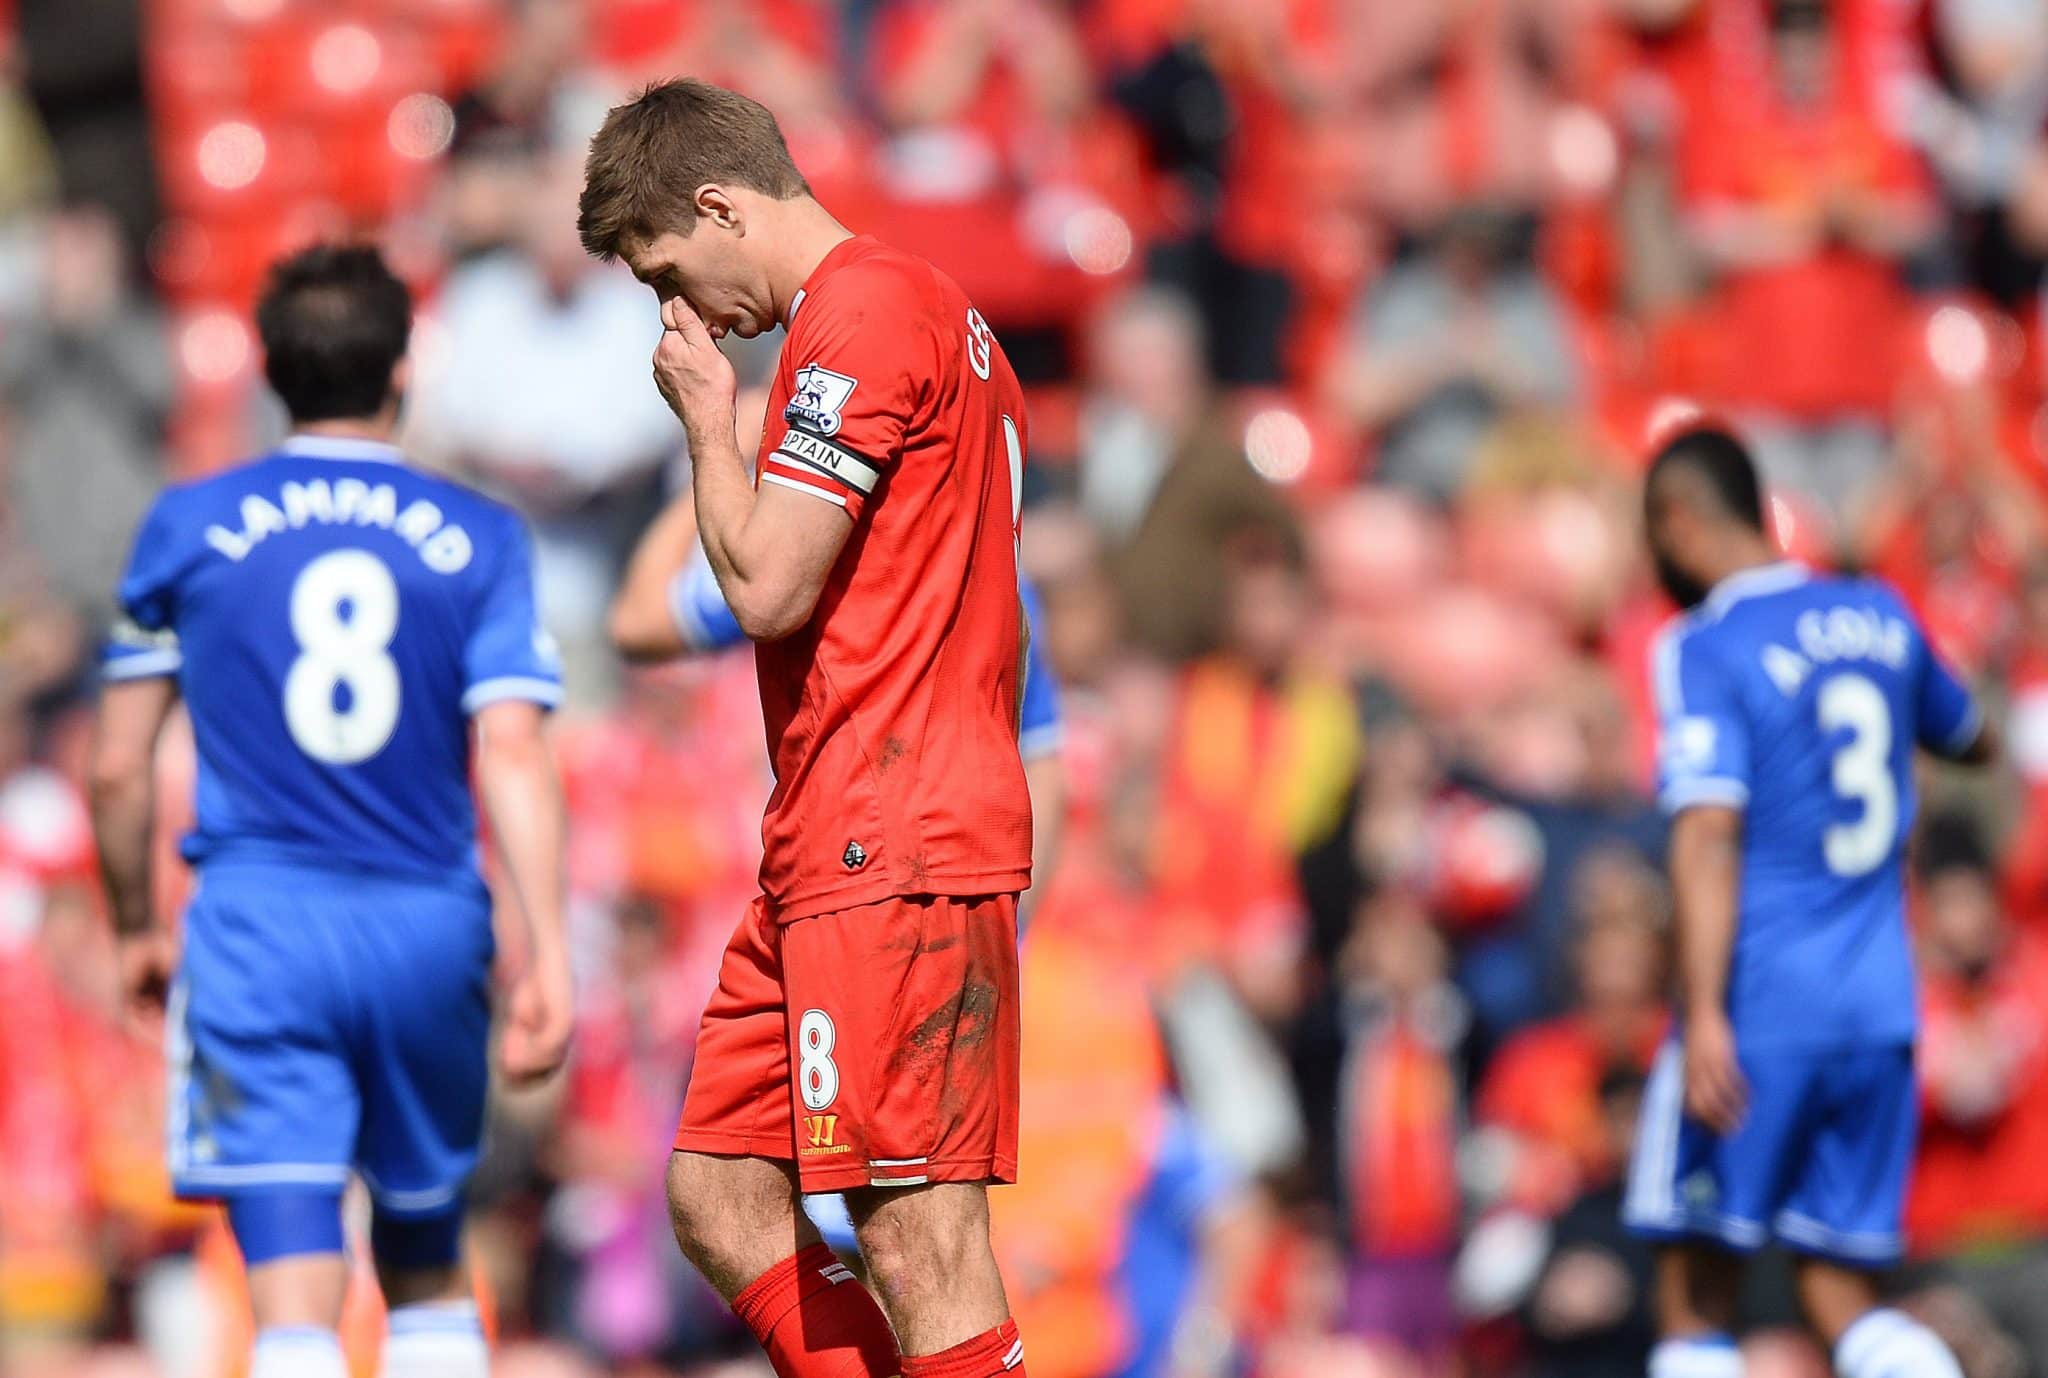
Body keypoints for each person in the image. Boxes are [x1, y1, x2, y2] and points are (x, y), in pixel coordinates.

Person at [577, 79, 1034, 1378]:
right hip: (829, 836)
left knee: (918, 1236)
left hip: (896, 831)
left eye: (670, 267)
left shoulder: (866, 308)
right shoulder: (921, 310)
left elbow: (767, 583)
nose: (680, 311)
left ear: (721, 205)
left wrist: (709, 421)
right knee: (718, 1194)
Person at [86, 245, 574, 1378]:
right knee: (423, 1248)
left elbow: (117, 766)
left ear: (267, 371)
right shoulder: (479, 534)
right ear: (402, 369)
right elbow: (511, 743)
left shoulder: (191, 523)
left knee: (291, 1282)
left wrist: (132, 926)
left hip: (260, 925)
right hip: (425, 924)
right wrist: (545, 946)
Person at [1622, 425, 1993, 1378]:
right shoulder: (1881, 614)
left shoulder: (1704, 646)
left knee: (1695, 1292)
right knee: (1842, 1294)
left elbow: (1708, 832)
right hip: (1878, 1006)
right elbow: (1973, 735)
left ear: (1678, 520)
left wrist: (1704, 1012)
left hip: (1762, 1006)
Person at [608, 489, 1065, 930]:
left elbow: (636, 620)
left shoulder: (807, 558)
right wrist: (1009, 937)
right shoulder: (983, 571)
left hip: (855, 894)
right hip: (851, 893)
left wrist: (716, 452)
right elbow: (1037, 760)